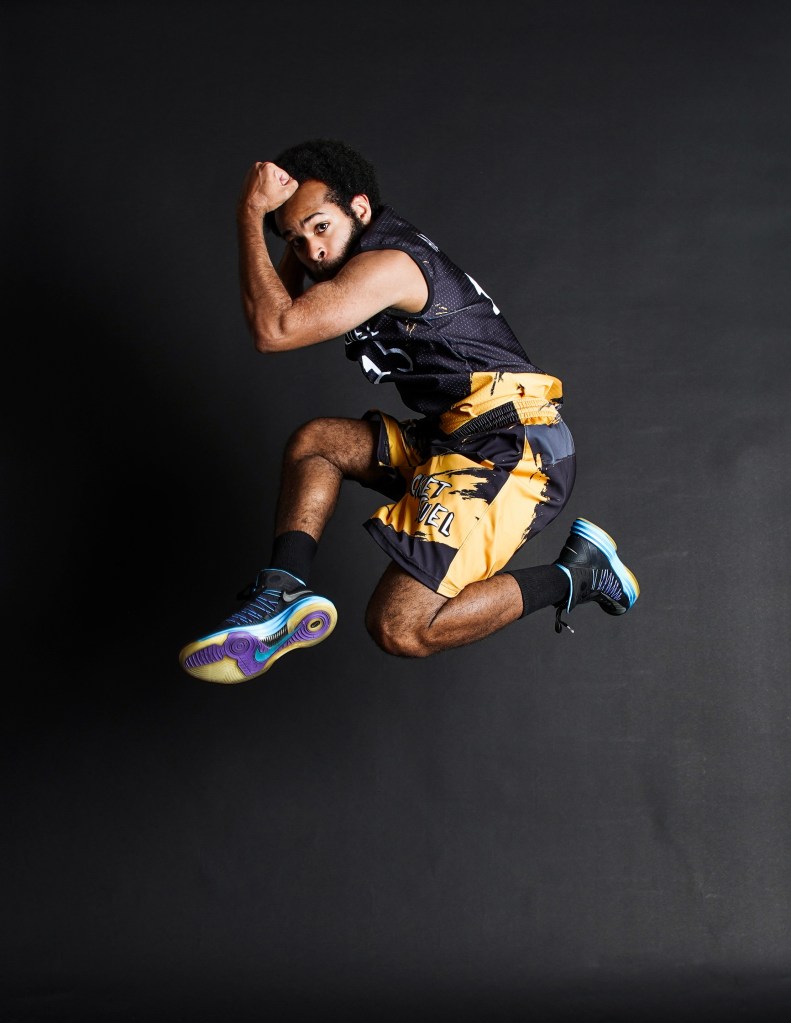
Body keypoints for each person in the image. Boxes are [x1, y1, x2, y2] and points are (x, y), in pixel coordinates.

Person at [179, 138, 639, 684]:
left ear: (360, 208)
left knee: (400, 628)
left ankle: (578, 575)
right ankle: (281, 594)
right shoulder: (361, 255)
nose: (312, 251)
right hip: (454, 437)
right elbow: (284, 306)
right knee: (317, 444)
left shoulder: (389, 265)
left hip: (514, 447)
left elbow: (275, 328)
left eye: (321, 227)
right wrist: (285, 229)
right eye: (297, 240)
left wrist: (250, 212)